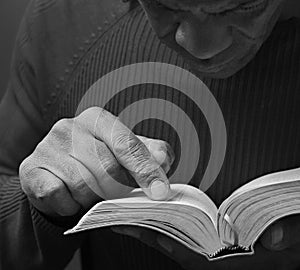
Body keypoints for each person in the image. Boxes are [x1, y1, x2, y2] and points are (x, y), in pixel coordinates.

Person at [0, 0, 299, 269]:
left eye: (241, 7)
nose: (200, 47)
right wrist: (45, 203)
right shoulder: (63, 15)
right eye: (163, 6)